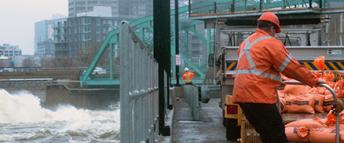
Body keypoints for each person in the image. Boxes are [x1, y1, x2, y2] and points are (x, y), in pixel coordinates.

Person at [232, 12, 324, 143]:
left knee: (266, 133)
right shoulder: (270, 42)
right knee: (277, 133)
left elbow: (260, 66)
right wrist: (313, 80)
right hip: (258, 95)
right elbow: (291, 67)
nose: (275, 34)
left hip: (242, 95)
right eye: (276, 31)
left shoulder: (246, 42)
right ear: (272, 28)